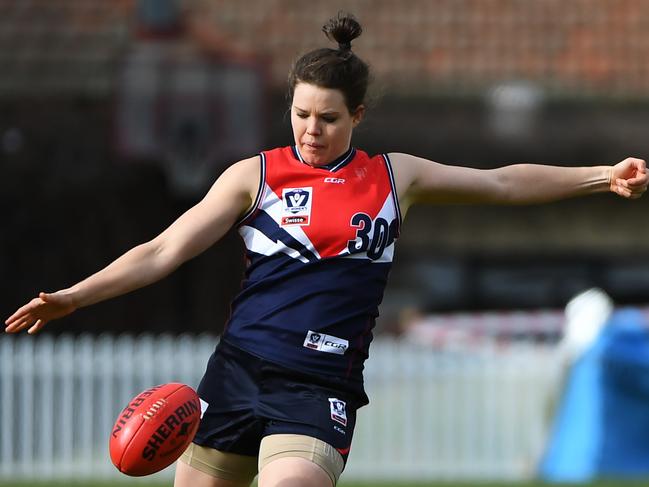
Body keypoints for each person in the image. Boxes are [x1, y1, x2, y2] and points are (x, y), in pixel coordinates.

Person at [4, 12, 648, 487]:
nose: (312, 130)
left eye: (330, 118)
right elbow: (163, 250)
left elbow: (503, 182)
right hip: (234, 375)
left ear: (358, 116)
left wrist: (598, 175)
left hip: (316, 390)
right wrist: (72, 297)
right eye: (301, 114)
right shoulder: (252, 176)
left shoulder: (397, 176)